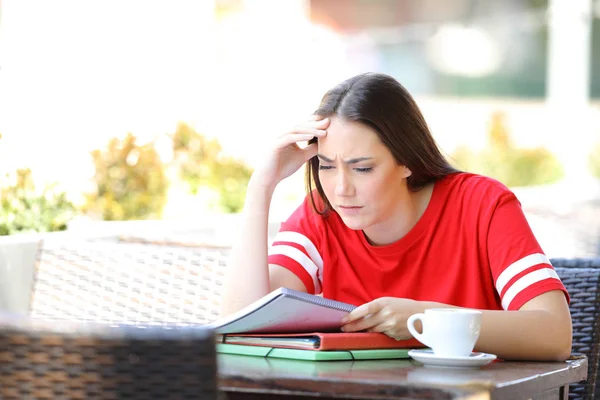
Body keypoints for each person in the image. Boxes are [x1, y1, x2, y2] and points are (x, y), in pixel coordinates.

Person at [221, 72, 572, 361]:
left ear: (406, 160)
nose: (341, 188)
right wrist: (261, 187)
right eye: (326, 166)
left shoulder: (482, 205)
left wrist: (426, 319)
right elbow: (240, 324)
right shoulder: (322, 215)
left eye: (362, 168)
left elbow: (554, 334)